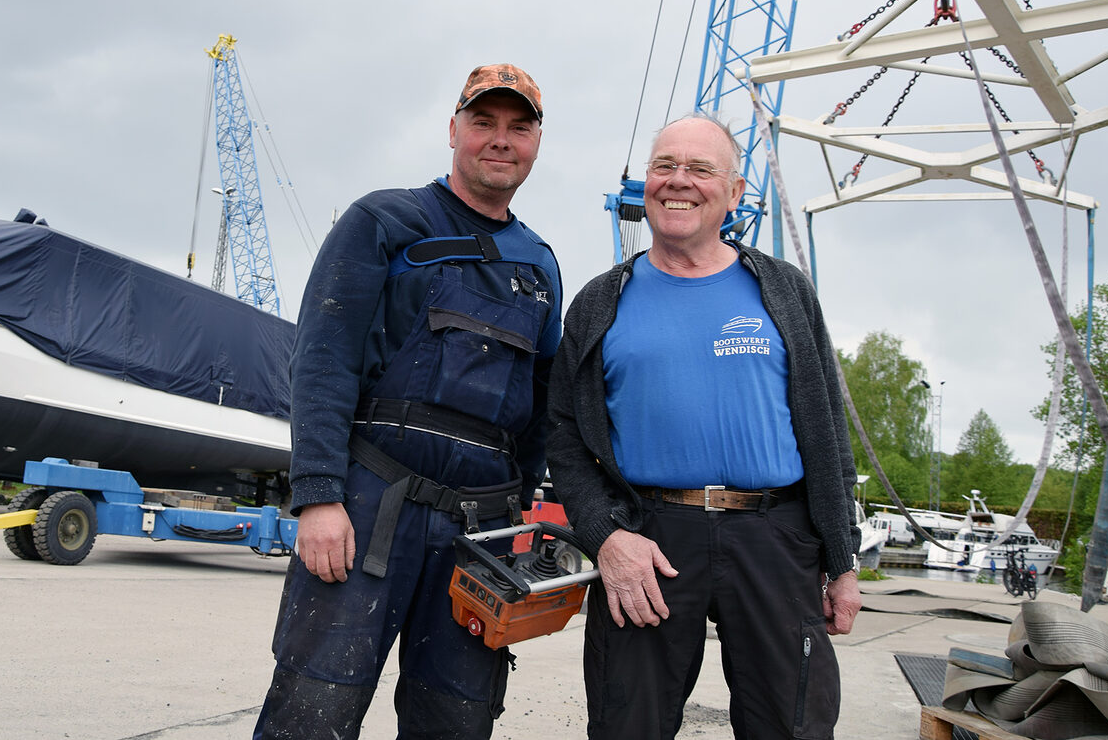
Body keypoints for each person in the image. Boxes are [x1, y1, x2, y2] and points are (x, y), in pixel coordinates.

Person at [253, 64, 562, 739]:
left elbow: (540, 409)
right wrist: (318, 493)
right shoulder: (385, 221)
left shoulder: (540, 265)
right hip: (367, 509)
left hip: (480, 533)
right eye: (484, 122)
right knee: (315, 708)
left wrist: (520, 523)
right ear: (454, 130)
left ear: (537, 143)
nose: (500, 140)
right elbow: (323, 359)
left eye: (519, 127)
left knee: (456, 717)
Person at [545, 115, 862, 740]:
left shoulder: (783, 292)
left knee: (791, 726)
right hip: (648, 541)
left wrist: (843, 557)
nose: (677, 182)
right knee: (624, 724)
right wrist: (607, 538)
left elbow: (827, 429)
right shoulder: (601, 300)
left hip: (775, 538)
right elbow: (564, 435)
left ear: (736, 192)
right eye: (664, 166)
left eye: (699, 169)